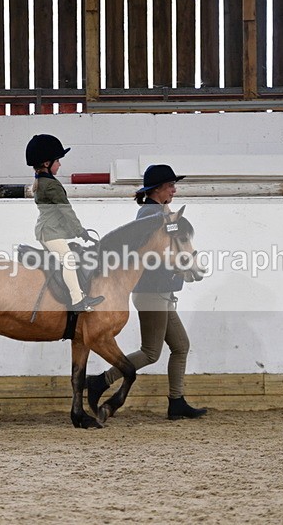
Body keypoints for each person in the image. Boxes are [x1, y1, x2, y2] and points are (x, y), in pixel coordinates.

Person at [86, 164, 207, 420]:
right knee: (151, 352)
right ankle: (102, 381)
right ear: (158, 189)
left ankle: (177, 401)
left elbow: (173, 252)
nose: (174, 190)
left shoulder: (163, 214)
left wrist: (182, 268)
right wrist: (179, 271)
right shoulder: (150, 215)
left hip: (161, 293)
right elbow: (151, 257)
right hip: (152, 293)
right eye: (170, 185)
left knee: (181, 346)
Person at [26, 134, 104, 313]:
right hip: (50, 232)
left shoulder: (41, 182)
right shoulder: (51, 186)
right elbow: (66, 211)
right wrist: (81, 231)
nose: (60, 164)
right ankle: (78, 300)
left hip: (46, 230)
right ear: (47, 163)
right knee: (69, 260)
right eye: (58, 161)